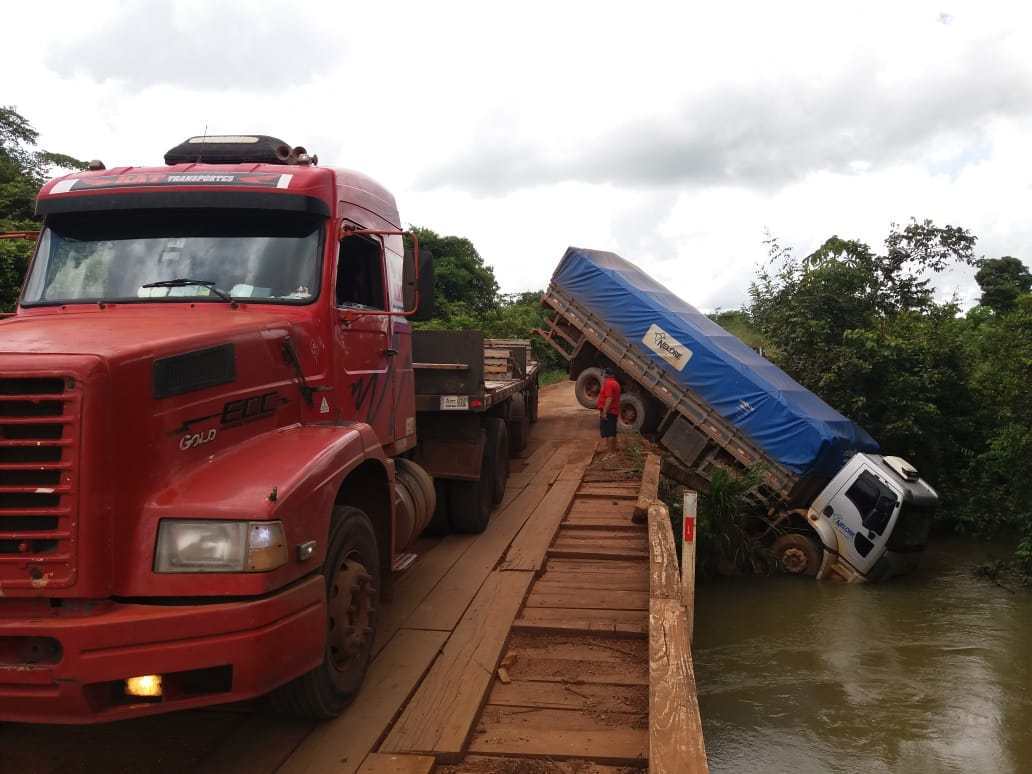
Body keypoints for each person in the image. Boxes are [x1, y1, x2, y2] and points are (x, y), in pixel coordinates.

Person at [596, 367, 621, 453]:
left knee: (610, 432)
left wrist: (605, 412)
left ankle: (610, 453)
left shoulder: (609, 384)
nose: (603, 376)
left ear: (606, 374)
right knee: (610, 431)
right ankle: (612, 449)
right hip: (613, 411)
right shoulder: (615, 383)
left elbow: (609, 398)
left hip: (609, 411)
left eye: (604, 374)